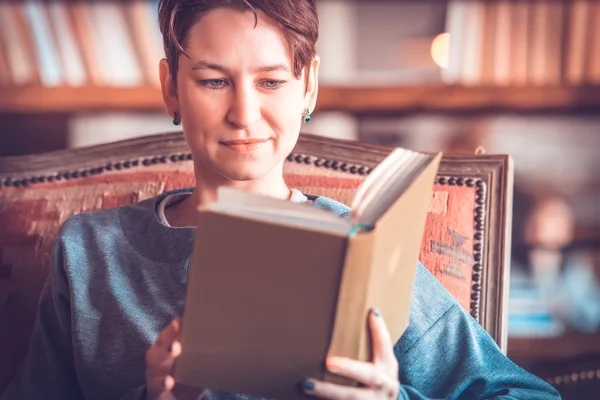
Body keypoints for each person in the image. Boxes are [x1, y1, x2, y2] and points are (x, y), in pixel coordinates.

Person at [2, 1, 561, 399]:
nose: (244, 115)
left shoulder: (354, 249)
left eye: (270, 82)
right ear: (172, 87)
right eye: (213, 81)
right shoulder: (89, 251)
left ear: (309, 86)